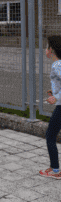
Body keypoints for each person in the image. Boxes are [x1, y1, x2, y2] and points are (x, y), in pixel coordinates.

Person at [40, 35, 61, 179]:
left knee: (50, 135)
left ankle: (55, 170)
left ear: (52, 50)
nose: (45, 50)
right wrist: (54, 92)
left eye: (46, 47)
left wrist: (56, 97)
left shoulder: (57, 65)